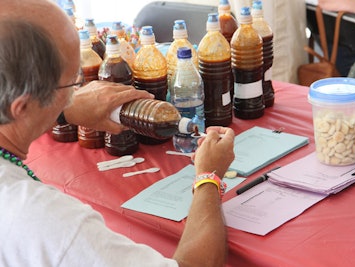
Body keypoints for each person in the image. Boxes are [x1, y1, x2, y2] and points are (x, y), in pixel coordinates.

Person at [0, 0, 235, 266]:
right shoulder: (48, 222)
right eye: (72, 84)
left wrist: (65, 108)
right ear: (22, 106)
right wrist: (208, 177)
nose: (77, 93)